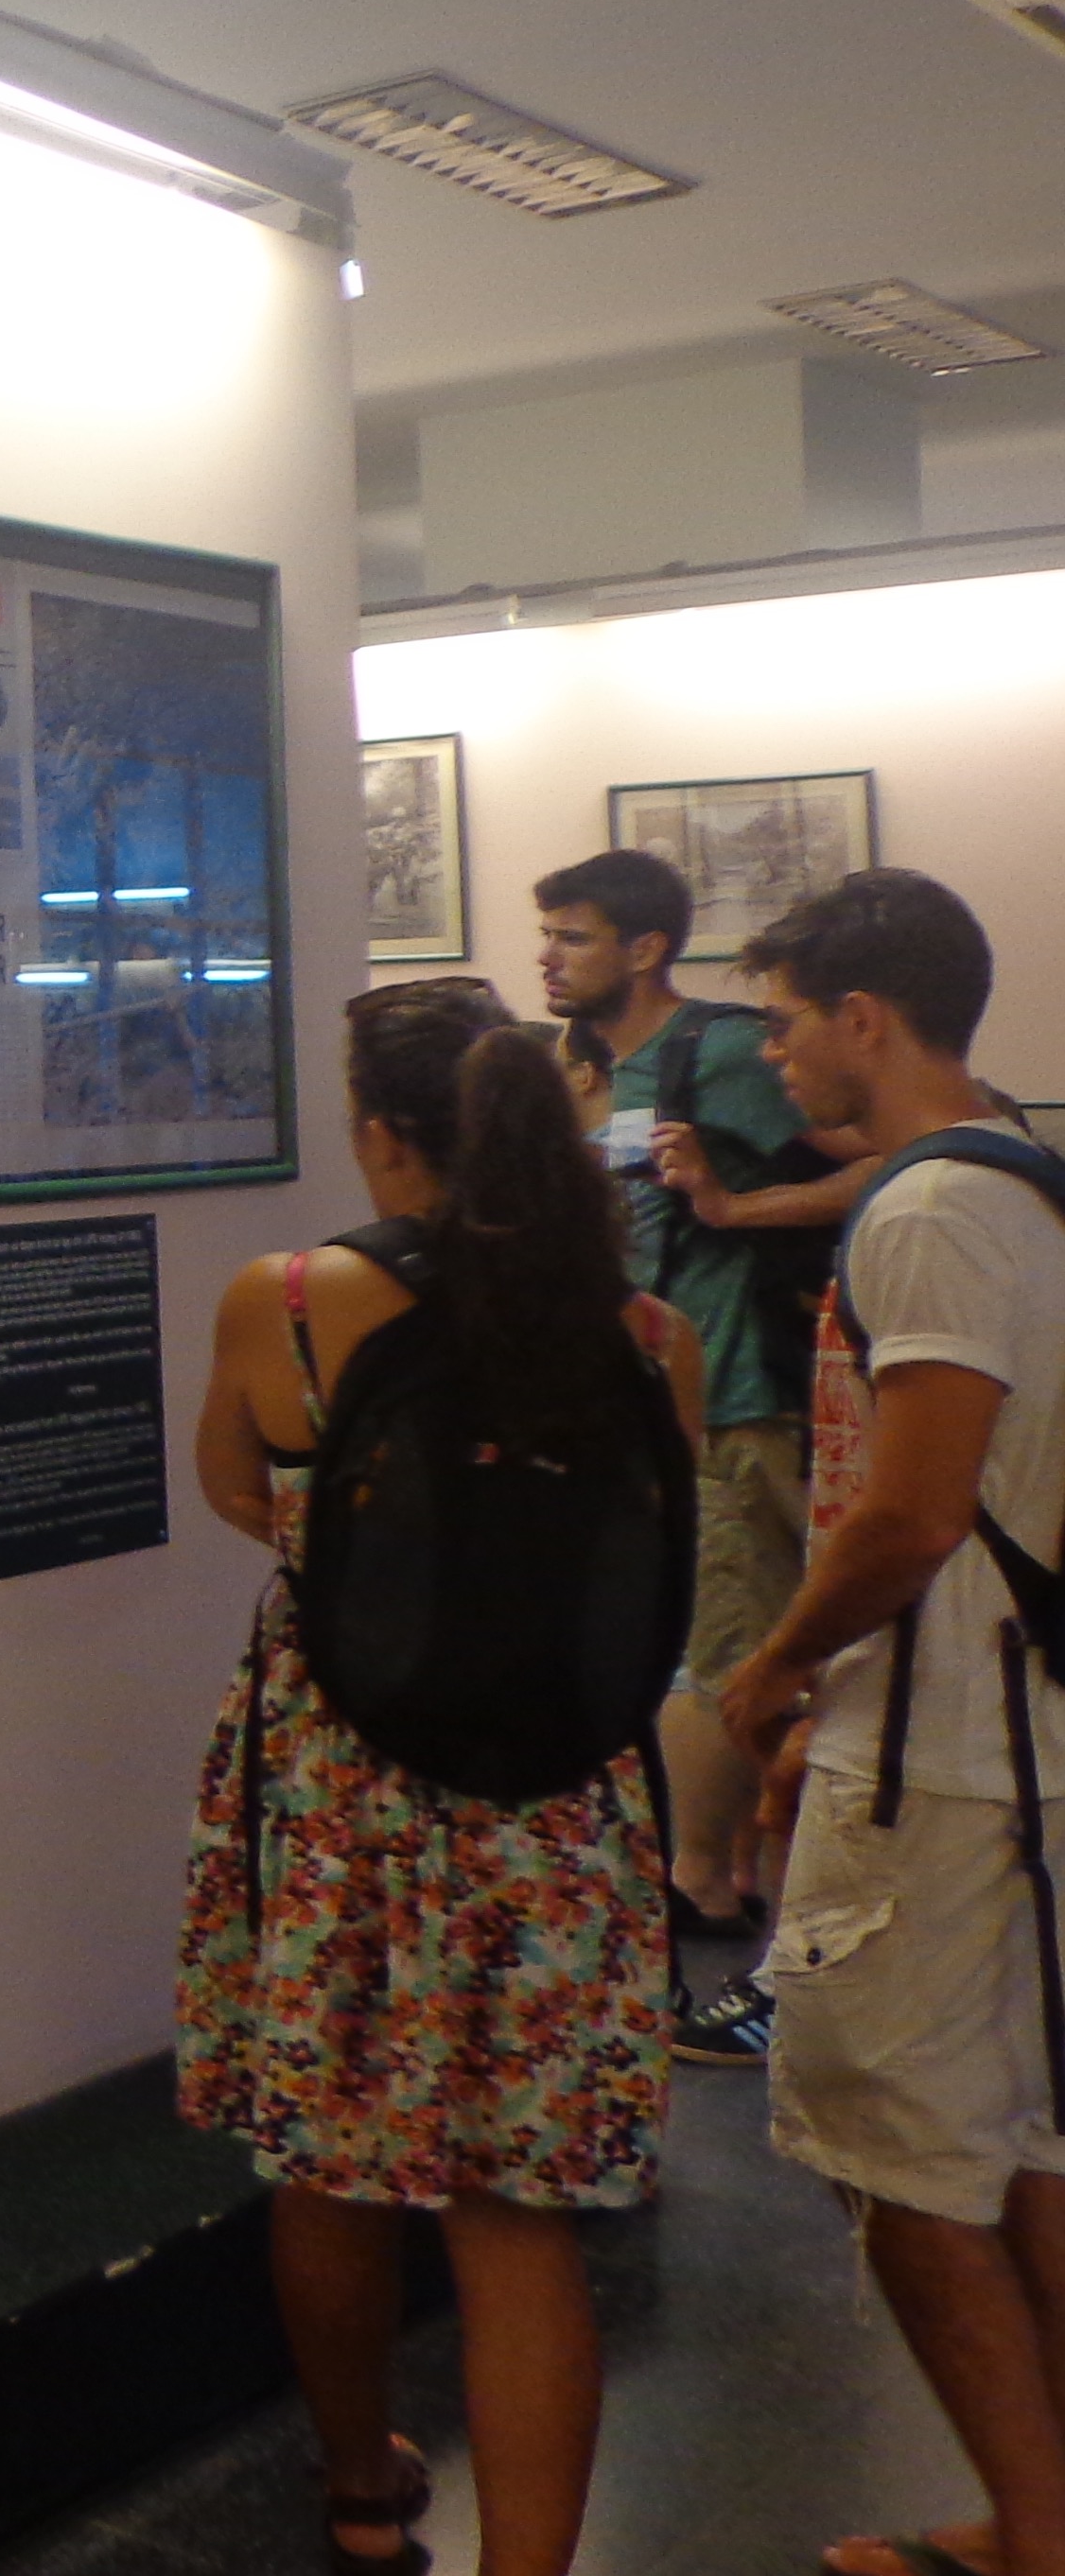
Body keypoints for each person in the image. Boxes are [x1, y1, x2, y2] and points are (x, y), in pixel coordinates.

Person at [177, 978, 702, 2576]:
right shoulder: (639, 1330)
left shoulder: (280, 1301)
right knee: (513, 2210)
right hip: (549, 1792)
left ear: (381, 1135)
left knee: (328, 2165)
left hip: (343, 1780)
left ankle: (356, 2489)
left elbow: (229, 1484)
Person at [711, 871, 1065, 2576]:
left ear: (864, 1016)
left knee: (898, 2160)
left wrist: (773, 1663)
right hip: (1012, 1737)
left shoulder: (925, 1211)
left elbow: (911, 1509)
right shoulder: (1028, 1175)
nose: (768, 1054)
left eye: (779, 1021)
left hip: (937, 1756)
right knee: (1018, 2147)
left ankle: (1034, 2533)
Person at [534, 844, 873, 2063]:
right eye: (548, 935)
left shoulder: (722, 1052)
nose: (549, 957)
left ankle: (702, 1892)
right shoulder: (576, 1067)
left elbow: (879, 1160)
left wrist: (738, 1211)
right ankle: (716, 1870)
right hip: (631, 1401)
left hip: (733, 1396)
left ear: (644, 949)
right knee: (687, 1635)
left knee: (725, 1640)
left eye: (573, 936)